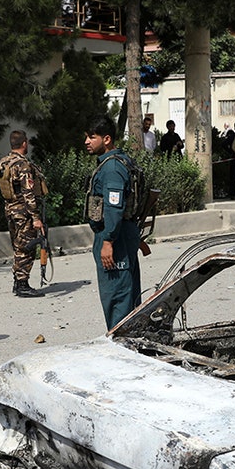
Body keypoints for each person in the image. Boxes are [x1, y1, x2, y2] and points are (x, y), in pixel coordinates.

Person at [85, 117, 145, 329]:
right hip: (121, 233)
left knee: (117, 296)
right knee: (126, 292)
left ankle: (122, 345)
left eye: (92, 137)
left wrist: (108, 241)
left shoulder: (112, 168)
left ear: (107, 139)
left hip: (115, 236)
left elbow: (114, 207)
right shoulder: (117, 161)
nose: (87, 141)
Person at [0, 130, 47, 298]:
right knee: (27, 248)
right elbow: (28, 193)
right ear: (24, 143)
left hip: (10, 210)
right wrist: (36, 218)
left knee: (18, 247)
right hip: (23, 212)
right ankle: (22, 284)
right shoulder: (22, 164)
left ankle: (17, 282)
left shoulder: (4, 162)